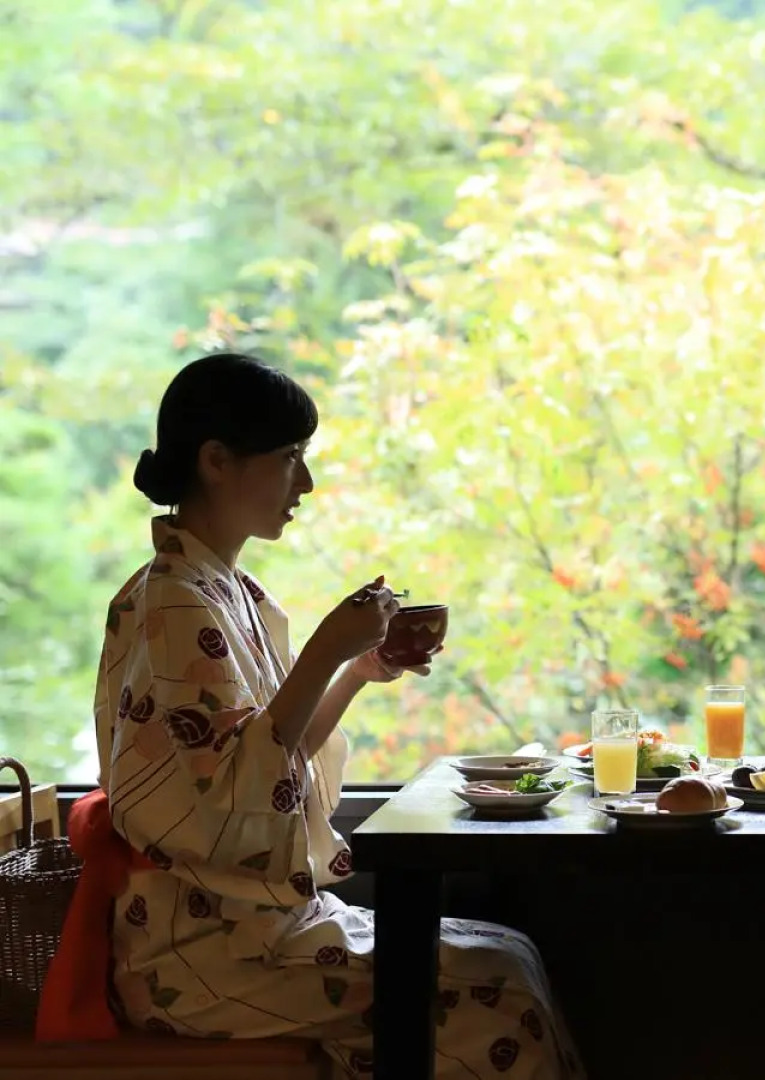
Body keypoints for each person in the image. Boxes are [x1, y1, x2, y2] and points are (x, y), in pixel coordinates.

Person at [52, 353, 585, 1079]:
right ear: (216, 460)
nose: (304, 482)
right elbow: (229, 801)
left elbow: (267, 765)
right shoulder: (173, 602)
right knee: (497, 993)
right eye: (289, 458)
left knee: (508, 956)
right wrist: (326, 649)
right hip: (203, 951)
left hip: (245, 925)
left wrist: (355, 671)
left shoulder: (220, 588)